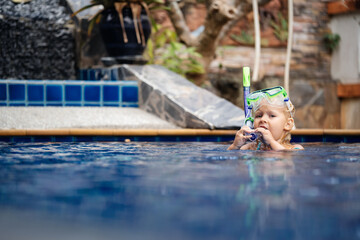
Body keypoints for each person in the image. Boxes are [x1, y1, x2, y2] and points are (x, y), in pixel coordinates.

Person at [228, 86, 304, 151]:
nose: (262, 119)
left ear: (288, 124)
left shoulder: (295, 149)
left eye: (272, 116)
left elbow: (284, 156)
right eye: (259, 115)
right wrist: (235, 146)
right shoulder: (250, 147)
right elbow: (232, 160)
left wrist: (271, 142)